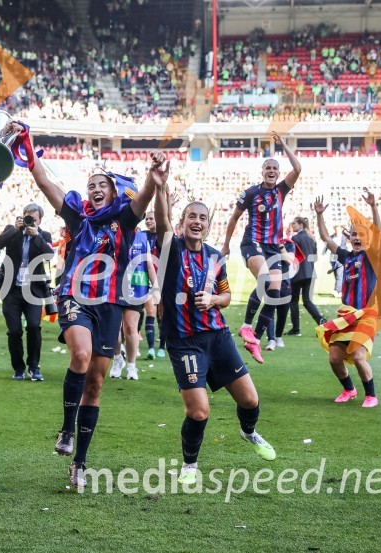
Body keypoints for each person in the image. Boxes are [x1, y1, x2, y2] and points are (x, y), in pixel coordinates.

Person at [28, 151, 164, 489]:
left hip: (110, 305)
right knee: (81, 355)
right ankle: (66, 428)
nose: (95, 189)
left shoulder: (125, 219)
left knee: (95, 385)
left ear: (114, 191)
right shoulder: (78, 218)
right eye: (91, 185)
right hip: (75, 297)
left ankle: (79, 462)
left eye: (102, 184)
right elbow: (45, 183)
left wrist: (153, 177)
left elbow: (144, 198)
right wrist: (27, 149)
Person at [153, 186, 276, 486]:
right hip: (184, 341)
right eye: (191, 217)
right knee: (198, 412)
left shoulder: (215, 257)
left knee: (250, 400)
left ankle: (249, 432)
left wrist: (213, 300)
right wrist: (159, 190)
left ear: (208, 226)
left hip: (218, 337)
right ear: (181, 222)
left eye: (202, 218)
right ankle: (189, 465)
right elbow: (162, 223)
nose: (197, 221)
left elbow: (227, 296)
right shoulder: (172, 250)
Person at [222, 131, 301, 364]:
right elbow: (234, 218)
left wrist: (283, 143)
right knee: (265, 280)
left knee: (275, 294)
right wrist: (226, 245)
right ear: (262, 171)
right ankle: (246, 326)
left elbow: (297, 169)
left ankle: (254, 339)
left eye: (275, 168)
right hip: (253, 243)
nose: (272, 171)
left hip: (273, 247)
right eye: (268, 168)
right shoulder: (251, 193)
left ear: (278, 172)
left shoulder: (281, 190)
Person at [313, 189, 381, 408]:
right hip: (347, 315)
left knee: (359, 357)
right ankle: (349, 389)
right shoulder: (345, 256)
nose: (357, 238)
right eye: (354, 234)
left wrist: (373, 206)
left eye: (361, 234)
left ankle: (371, 395)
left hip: (367, 315)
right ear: (349, 237)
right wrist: (319, 215)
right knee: (334, 358)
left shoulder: (371, 256)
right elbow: (326, 238)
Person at [0, 203, 54, 381]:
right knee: (14, 331)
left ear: (40, 221)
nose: (30, 221)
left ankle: (34, 366)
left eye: (34, 219)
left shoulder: (44, 235)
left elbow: (49, 255)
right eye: (27, 217)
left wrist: (36, 236)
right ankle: (18, 368)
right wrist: (14, 230)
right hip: (11, 290)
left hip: (33, 290)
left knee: (34, 327)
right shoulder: (12, 231)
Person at [110, 227, 158, 380]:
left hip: (137, 286)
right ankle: (118, 358)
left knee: (131, 327)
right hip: (115, 287)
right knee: (113, 329)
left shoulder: (143, 238)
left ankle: (132, 366)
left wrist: (156, 287)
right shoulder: (113, 232)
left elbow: (149, 264)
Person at [287, 217, 326, 336]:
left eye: (294, 223)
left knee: (293, 300)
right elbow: (314, 256)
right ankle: (321, 320)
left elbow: (291, 256)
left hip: (298, 272)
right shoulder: (311, 238)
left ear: (301, 224)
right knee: (307, 300)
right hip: (310, 272)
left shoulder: (295, 239)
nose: (292, 225)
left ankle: (296, 329)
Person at [142, 211, 165, 360]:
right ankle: (151, 348)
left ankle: (162, 346)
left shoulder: (163, 236)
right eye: (147, 219)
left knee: (162, 315)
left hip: (162, 279)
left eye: (151, 219)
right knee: (150, 311)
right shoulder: (142, 235)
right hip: (145, 279)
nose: (148, 221)